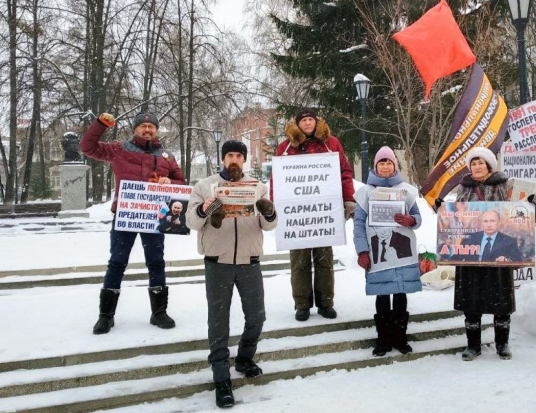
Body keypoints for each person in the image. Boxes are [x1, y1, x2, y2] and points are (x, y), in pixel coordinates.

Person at [187, 140, 278, 409]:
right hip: (218, 261)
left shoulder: (257, 186)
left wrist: (270, 212)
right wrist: (205, 208)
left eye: (239, 155)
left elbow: (268, 225)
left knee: (256, 317)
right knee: (218, 322)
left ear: (244, 160)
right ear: (223, 159)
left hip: (250, 260)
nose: (234, 160)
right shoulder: (204, 186)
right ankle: (221, 378)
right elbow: (192, 221)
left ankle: (245, 358)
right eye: (230, 155)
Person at [81, 112, 185, 335]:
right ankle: (106, 315)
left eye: (151, 126)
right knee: (117, 262)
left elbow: (180, 181)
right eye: (143, 126)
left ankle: (159, 312)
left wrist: (169, 180)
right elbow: (88, 147)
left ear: (156, 130)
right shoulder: (120, 149)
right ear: (135, 129)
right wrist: (100, 125)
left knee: (156, 261)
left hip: (153, 216)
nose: (147, 130)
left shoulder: (166, 156)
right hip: (125, 216)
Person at [436, 147, 536, 361]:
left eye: (481, 163)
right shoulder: (463, 188)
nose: (477, 167)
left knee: (501, 301)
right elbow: (455, 220)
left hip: (500, 252)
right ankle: (472, 345)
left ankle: (502, 344)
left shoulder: (506, 185)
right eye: (473, 163)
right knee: (471, 302)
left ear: (489, 165)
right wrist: (442, 210)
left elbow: (530, 210)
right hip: (471, 252)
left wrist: (531, 203)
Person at [273, 108, 356, 321]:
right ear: (297, 124)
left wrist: (349, 199)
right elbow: (277, 179)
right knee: (299, 262)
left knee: (324, 260)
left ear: (316, 122)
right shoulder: (285, 147)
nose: (308, 123)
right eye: (304, 120)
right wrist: (274, 205)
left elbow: (345, 173)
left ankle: (325, 302)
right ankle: (302, 304)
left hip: (324, 214)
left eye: (311, 119)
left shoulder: (331, 143)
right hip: (297, 217)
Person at [353, 147, 422, 356]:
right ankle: (383, 339)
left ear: (395, 166)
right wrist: (362, 251)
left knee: (400, 294)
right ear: (376, 167)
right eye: (381, 163)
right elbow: (358, 223)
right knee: (382, 295)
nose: (385, 166)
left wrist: (411, 220)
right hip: (377, 252)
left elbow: (417, 217)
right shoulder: (365, 192)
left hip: (401, 250)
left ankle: (400, 337)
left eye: (389, 163)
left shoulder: (406, 190)